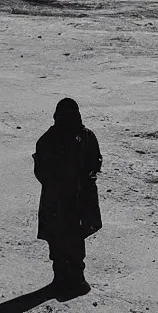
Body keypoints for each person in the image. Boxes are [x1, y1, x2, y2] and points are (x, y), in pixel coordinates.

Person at [33, 98, 103, 301]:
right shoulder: (49, 140)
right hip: (59, 200)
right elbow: (42, 171)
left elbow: (95, 161)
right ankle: (63, 280)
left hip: (75, 200)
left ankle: (75, 279)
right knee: (60, 241)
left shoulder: (85, 136)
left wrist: (86, 179)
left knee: (73, 240)